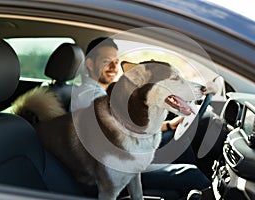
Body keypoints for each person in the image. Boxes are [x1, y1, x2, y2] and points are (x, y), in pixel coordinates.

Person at [71, 37, 211, 198]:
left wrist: (168, 125)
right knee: (190, 174)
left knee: (178, 139)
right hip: (115, 165)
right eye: (106, 61)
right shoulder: (89, 97)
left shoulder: (102, 92)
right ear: (90, 64)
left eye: (116, 61)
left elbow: (127, 126)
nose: (114, 67)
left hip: (127, 150)